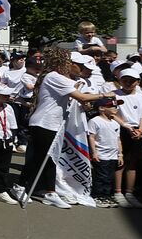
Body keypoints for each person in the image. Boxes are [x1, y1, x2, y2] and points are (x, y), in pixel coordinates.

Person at [20, 48, 101, 208]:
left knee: (51, 159)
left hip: (57, 124)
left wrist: (86, 100)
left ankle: (51, 192)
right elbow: (82, 96)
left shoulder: (70, 80)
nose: (83, 70)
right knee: (39, 158)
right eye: (78, 65)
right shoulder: (55, 77)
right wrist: (105, 95)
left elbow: (83, 100)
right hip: (44, 122)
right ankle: (21, 186)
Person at [112, 65, 142, 208]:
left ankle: (129, 192)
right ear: (120, 80)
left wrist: (140, 129)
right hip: (120, 129)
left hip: (137, 131)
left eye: (132, 80)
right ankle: (117, 192)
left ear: (138, 82)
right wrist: (126, 126)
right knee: (120, 161)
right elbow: (112, 113)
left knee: (133, 162)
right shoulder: (114, 94)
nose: (128, 83)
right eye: (125, 80)